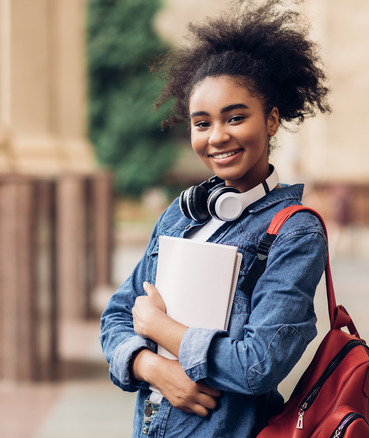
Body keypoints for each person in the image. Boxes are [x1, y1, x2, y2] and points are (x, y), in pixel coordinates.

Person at [100, 1, 330, 436]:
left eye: (236, 117)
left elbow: (259, 364)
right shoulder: (181, 214)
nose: (217, 136)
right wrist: (150, 366)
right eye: (201, 123)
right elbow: (115, 315)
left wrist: (160, 328)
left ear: (272, 120)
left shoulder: (295, 230)